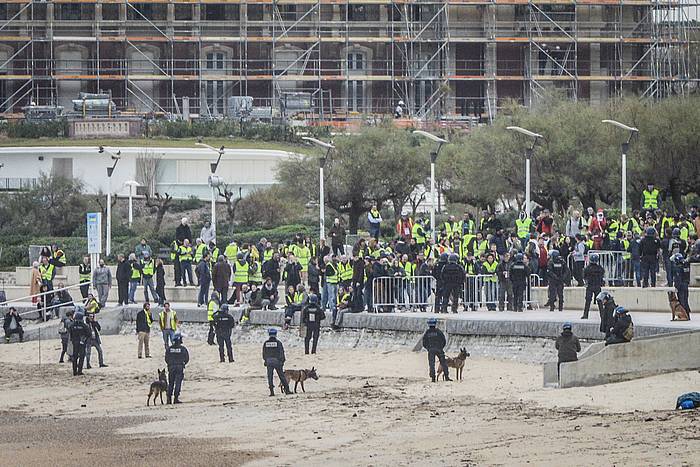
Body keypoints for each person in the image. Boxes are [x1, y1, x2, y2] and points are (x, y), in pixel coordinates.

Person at [262, 328, 291, 396]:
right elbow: (281, 352)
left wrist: (265, 360)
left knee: (270, 376)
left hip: (269, 361)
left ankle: (272, 391)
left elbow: (264, 353)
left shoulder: (266, 343)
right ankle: (287, 390)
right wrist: (282, 361)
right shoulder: (278, 343)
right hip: (277, 361)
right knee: (281, 376)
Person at [422, 318, 451, 383]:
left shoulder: (427, 332)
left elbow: (424, 342)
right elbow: (444, 340)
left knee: (431, 364)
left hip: (431, 350)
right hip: (439, 349)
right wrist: (441, 348)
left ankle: (433, 378)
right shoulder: (439, 331)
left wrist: (428, 349)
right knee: (443, 363)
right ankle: (446, 377)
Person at [165, 332, 189, 404]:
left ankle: (169, 399)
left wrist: (170, 364)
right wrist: (183, 363)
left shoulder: (169, 349)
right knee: (178, 383)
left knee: (171, 383)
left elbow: (166, 358)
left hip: (171, 367)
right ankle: (176, 398)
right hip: (179, 367)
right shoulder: (183, 349)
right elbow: (187, 358)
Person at [581, 253, 605, 319]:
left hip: (590, 286)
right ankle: (602, 316)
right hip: (597, 286)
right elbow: (602, 275)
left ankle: (585, 315)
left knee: (588, 301)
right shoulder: (600, 268)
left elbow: (584, 276)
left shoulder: (587, 268)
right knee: (600, 302)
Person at [69, 310, 90, 376]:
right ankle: (79, 371)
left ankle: (74, 371)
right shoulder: (84, 325)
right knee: (81, 357)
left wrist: (73, 340)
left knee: (74, 357)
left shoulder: (72, 325)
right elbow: (89, 333)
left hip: (75, 342)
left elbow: (70, 333)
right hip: (82, 343)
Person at [672, 253, 691, 318]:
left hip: (681, 286)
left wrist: (676, 287)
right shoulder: (686, 266)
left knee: (681, 301)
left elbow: (678, 278)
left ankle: (684, 315)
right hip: (686, 285)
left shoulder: (678, 267)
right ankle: (687, 314)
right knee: (686, 300)